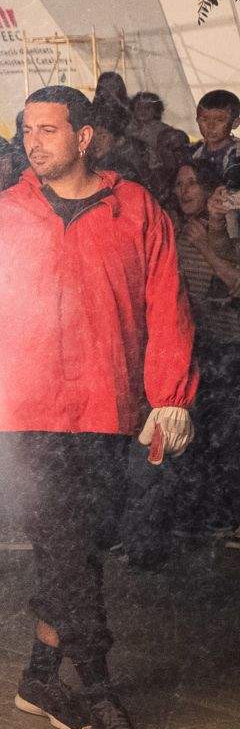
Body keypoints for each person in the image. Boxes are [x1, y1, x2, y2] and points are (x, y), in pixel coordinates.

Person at [0, 85, 196, 729]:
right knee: (61, 538)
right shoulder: (6, 213)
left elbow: (168, 301)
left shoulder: (136, 209)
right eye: (28, 130)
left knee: (80, 546)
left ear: (86, 136)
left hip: (107, 407)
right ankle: (103, 693)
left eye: (49, 130)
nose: (33, 142)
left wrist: (169, 395)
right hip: (25, 412)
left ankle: (37, 676)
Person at [167, 161, 240, 549]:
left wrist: (204, 245)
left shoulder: (228, 228)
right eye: (180, 184)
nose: (185, 190)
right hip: (197, 345)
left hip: (230, 347)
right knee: (197, 433)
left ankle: (224, 516)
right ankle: (199, 515)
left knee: (223, 435)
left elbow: (234, 283)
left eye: (193, 183)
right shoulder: (175, 231)